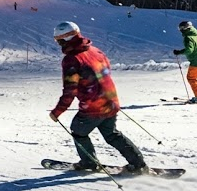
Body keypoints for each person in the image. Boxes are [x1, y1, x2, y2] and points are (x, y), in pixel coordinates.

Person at [48, 22, 148, 173]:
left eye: (59, 40)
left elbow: (70, 90)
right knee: (112, 134)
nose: (58, 43)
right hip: (110, 100)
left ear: (66, 39)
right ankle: (138, 164)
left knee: (78, 132)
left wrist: (57, 111)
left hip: (93, 106)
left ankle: (89, 163)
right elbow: (106, 71)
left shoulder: (72, 59)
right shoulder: (95, 50)